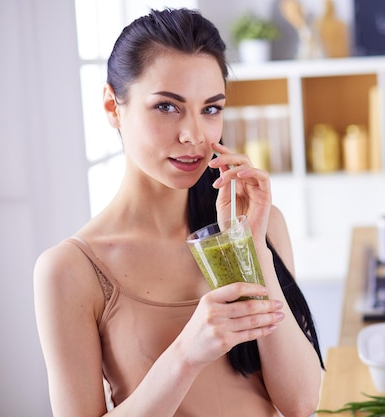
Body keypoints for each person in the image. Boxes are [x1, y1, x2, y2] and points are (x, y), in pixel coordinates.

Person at [33, 8, 324, 417]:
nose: (195, 136)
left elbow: (300, 401)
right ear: (113, 107)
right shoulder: (69, 270)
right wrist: (187, 353)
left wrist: (251, 244)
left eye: (210, 109)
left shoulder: (260, 224)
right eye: (167, 107)